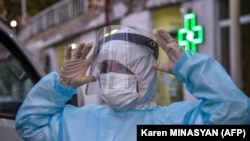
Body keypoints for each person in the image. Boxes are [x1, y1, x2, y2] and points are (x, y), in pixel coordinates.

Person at [15, 25, 250, 141]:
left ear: (145, 73)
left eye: (122, 67)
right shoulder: (78, 121)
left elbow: (234, 116)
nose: (111, 75)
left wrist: (190, 67)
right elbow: (29, 125)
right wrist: (59, 86)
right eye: (106, 67)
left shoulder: (175, 123)